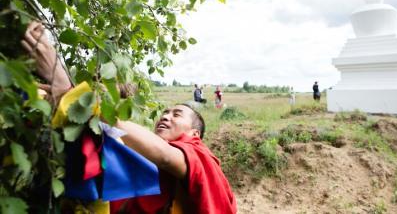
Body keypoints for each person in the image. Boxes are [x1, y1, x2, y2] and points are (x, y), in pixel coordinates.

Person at [21, 22, 237, 213]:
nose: (166, 116)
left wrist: (68, 90)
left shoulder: (198, 155)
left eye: (177, 114)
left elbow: (165, 156)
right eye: (164, 112)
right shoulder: (138, 156)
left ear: (194, 133)